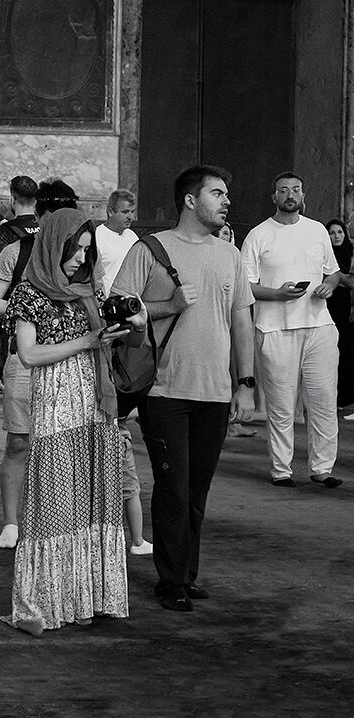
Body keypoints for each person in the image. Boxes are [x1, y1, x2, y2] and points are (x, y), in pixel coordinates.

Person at [112, 164, 256, 612]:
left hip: (214, 391)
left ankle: (187, 573)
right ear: (191, 201)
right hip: (165, 391)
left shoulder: (229, 255)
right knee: (173, 487)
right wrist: (168, 305)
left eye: (226, 193)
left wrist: (246, 382)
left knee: (197, 489)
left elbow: (241, 321)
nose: (226, 201)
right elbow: (120, 310)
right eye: (217, 193)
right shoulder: (150, 250)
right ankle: (170, 580)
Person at [1, 207, 138, 635]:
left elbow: (99, 344)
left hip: (95, 405)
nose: (81, 258)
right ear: (53, 244)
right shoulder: (29, 292)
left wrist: (114, 333)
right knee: (56, 499)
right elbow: (29, 354)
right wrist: (89, 340)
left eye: (86, 250)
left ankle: (90, 596)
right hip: (56, 402)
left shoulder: (85, 290)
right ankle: (43, 600)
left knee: (92, 494)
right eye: (73, 249)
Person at [0, 178, 76, 549]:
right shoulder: (16, 251)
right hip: (24, 358)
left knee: (66, 443)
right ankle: (11, 523)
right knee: (19, 442)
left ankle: (59, 520)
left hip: (71, 359)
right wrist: (34, 312)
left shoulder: (84, 254)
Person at [241, 171, 342, 488]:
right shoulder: (258, 235)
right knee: (281, 405)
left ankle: (323, 467)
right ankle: (281, 469)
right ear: (274, 197)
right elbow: (247, 287)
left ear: (303, 195)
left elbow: (334, 272)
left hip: (318, 326)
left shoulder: (316, 231)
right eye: (283, 190)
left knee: (324, 400)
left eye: (296, 189)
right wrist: (277, 294)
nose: (290, 194)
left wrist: (328, 286)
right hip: (275, 328)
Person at [326, 219, 354, 410]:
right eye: (332, 233)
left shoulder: (350, 254)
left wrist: (336, 276)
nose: (336, 236)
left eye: (339, 232)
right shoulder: (325, 255)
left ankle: (345, 398)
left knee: (346, 354)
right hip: (328, 309)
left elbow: (351, 282)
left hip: (348, 312)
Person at [95, 189, 140, 295]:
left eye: (132, 212)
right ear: (111, 212)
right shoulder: (97, 237)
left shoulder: (132, 236)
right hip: (107, 301)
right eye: (125, 212)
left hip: (131, 300)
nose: (130, 217)